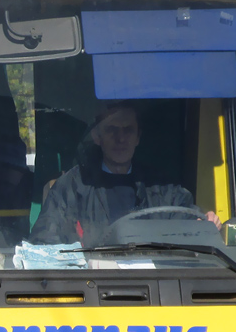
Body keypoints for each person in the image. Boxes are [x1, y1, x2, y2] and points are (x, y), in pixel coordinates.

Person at [29, 104, 220, 247]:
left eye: (128, 130)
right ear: (97, 137)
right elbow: (45, 242)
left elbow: (188, 226)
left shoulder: (162, 188)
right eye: (112, 130)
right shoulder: (71, 187)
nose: (121, 138)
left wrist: (202, 225)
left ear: (138, 137)